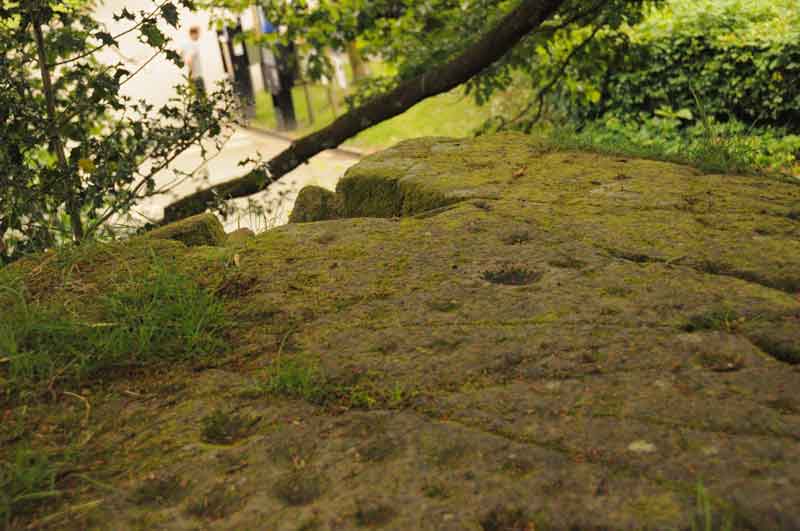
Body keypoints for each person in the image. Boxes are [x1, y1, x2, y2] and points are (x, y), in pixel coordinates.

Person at [182, 26, 205, 97]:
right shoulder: (193, 45)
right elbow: (189, 60)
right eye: (198, 33)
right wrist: (192, 75)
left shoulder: (187, 45)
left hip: (194, 76)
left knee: (197, 99)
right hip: (196, 76)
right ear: (193, 34)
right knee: (201, 99)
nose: (199, 35)